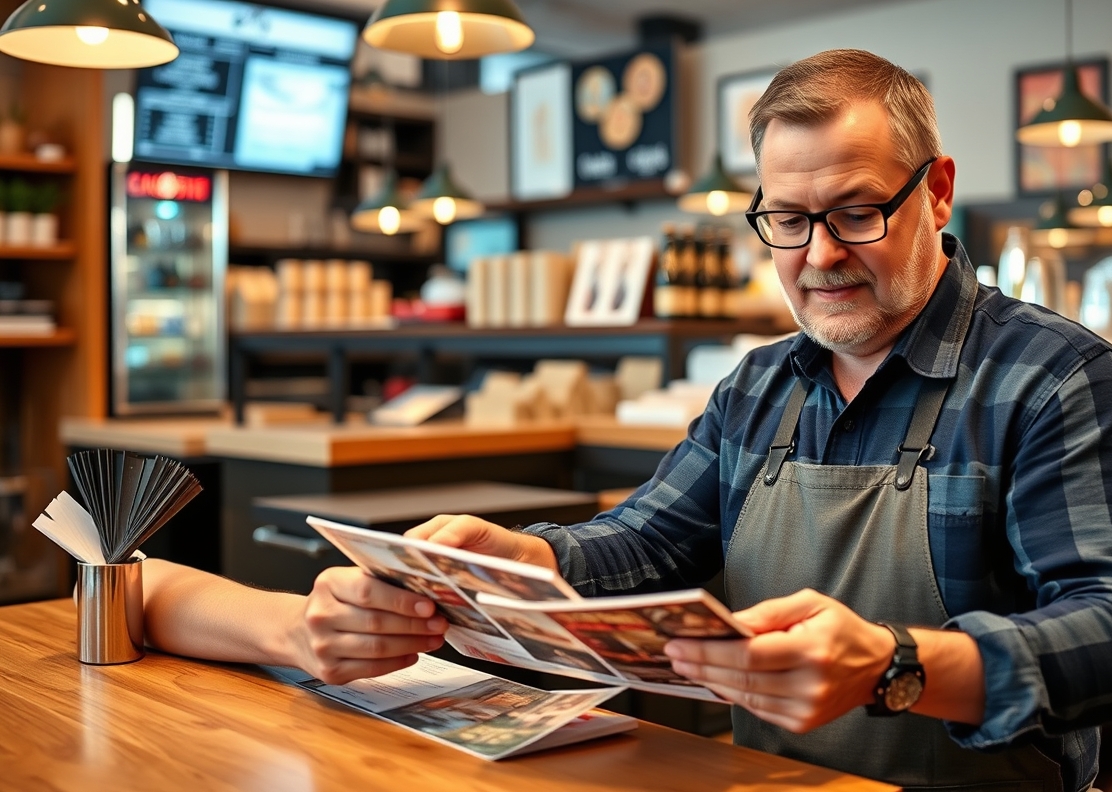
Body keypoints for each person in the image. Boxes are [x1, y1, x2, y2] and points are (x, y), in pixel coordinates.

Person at [142, 49, 1112, 791]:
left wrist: (899, 665)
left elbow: (1102, 627)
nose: (818, 256)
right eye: (786, 220)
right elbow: (647, 541)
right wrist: (530, 561)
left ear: (935, 192)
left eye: (856, 212)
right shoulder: (757, 387)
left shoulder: (1050, 378)